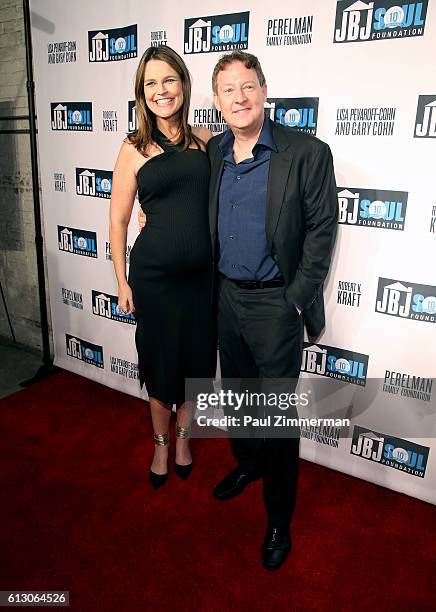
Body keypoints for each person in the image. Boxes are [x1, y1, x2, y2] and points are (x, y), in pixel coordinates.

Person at [206, 51, 338, 570]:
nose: (239, 98)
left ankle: (279, 517)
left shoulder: (306, 152)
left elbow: (322, 230)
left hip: (275, 303)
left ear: (264, 91)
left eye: (248, 87)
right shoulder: (213, 153)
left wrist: (295, 299)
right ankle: (248, 463)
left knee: (278, 417)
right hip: (224, 298)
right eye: (227, 90)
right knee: (236, 396)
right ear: (216, 101)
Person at [109, 46, 215, 490]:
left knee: (192, 368)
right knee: (160, 367)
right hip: (153, 280)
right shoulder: (133, 148)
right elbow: (117, 219)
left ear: (184, 84)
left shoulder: (207, 140)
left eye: (168, 79)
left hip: (202, 282)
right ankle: (160, 444)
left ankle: (185, 440)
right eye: (150, 83)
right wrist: (121, 281)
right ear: (142, 93)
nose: (160, 90)